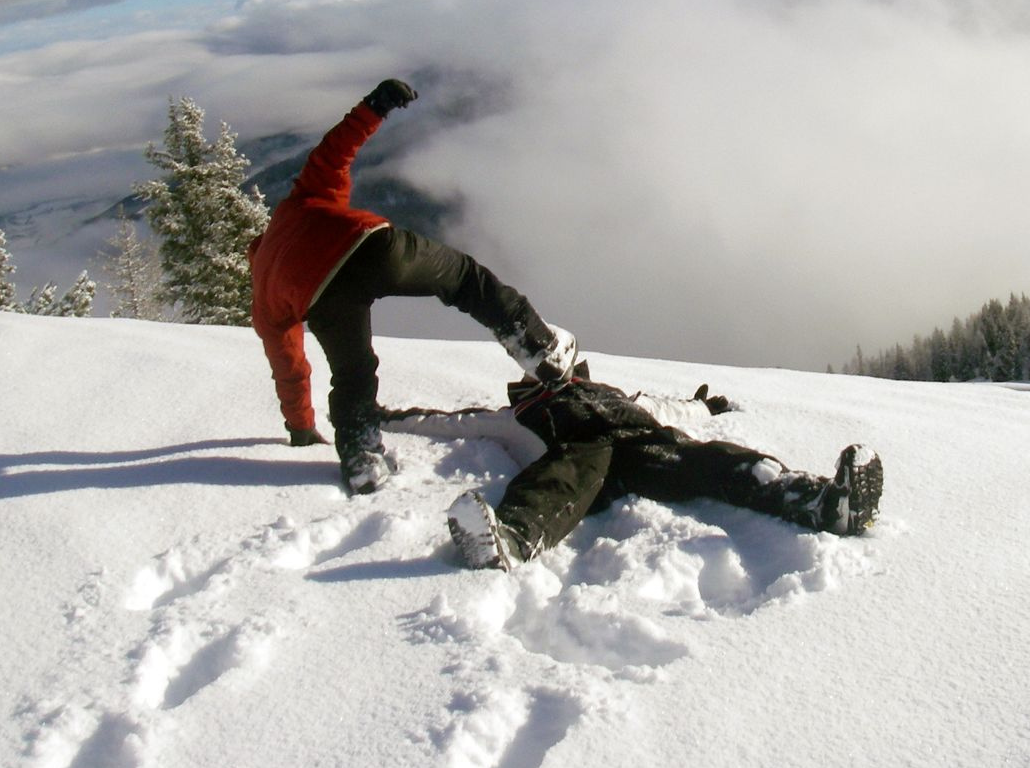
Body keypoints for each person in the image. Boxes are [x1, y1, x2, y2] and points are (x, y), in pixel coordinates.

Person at [248, 78, 577, 494]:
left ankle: (360, 456)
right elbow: (333, 152)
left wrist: (300, 428)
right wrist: (374, 106)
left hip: (322, 301)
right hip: (368, 249)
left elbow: (290, 369)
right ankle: (537, 348)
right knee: (463, 279)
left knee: (353, 374)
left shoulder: (263, 297)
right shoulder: (295, 207)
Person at [442, 367, 884, 570]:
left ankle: (824, 503)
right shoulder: (515, 415)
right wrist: (379, 417)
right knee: (566, 470)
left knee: (716, 459)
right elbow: (444, 422)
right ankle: (513, 539)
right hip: (587, 456)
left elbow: (670, 407)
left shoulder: (621, 398)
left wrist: (706, 406)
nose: (557, 377)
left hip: (647, 448)